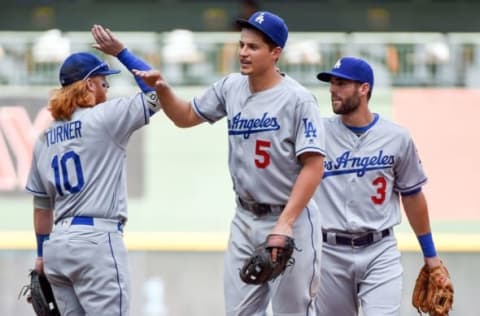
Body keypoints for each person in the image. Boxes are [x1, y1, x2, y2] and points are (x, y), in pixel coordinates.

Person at [134, 11, 326, 316]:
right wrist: (163, 89)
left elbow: (314, 166)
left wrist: (285, 223)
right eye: (241, 45)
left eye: (253, 47)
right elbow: (184, 117)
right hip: (245, 218)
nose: (243, 53)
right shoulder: (231, 87)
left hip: (290, 221)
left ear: (275, 52)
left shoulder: (298, 100)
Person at [25, 25, 160, 315]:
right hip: (97, 243)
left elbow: (41, 207)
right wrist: (122, 53)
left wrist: (40, 255)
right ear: (89, 85)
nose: (107, 89)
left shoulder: (44, 137)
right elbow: (156, 92)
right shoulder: (104, 117)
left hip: (57, 247)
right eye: (104, 83)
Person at [314, 56, 445, 315]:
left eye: (341, 83)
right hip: (328, 252)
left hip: (379, 250)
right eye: (332, 83)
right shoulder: (317, 133)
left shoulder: (397, 137)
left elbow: (412, 196)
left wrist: (431, 256)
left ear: (364, 89)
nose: (333, 89)